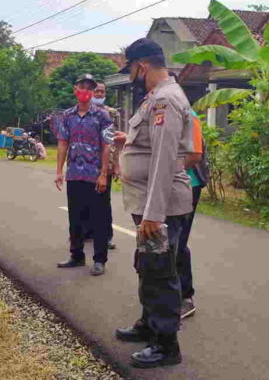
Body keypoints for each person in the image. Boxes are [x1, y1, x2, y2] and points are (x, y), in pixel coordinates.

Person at [113, 38, 194, 368]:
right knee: (147, 266)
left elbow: (163, 160)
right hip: (147, 204)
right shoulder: (154, 99)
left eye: (131, 69)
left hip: (158, 207)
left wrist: (154, 215)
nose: (132, 76)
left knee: (160, 272)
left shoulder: (165, 100)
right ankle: (149, 324)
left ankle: (165, 345)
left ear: (142, 66)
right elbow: (150, 146)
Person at [55, 73, 113, 276]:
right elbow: (63, 143)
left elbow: (107, 146)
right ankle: (76, 255)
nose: (85, 91)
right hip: (74, 174)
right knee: (76, 217)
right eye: (82, 87)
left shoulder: (102, 116)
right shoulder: (67, 116)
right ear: (75, 90)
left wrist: (104, 174)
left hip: (95, 175)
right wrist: (59, 171)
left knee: (98, 218)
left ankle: (99, 259)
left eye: (90, 88)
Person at [177, 111, 210, 319]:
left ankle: (186, 297)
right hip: (167, 185)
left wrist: (169, 169)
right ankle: (168, 292)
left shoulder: (190, 116)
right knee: (166, 242)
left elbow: (195, 153)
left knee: (178, 242)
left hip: (189, 184)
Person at [91, 81, 121, 250]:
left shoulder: (112, 113)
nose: (99, 94)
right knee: (87, 201)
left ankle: (106, 236)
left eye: (102, 92)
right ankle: (88, 233)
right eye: (97, 91)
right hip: (87, 165)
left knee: (103, 202)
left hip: (106, 164)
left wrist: (116, 164)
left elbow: (116, 141)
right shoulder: (85, 112)